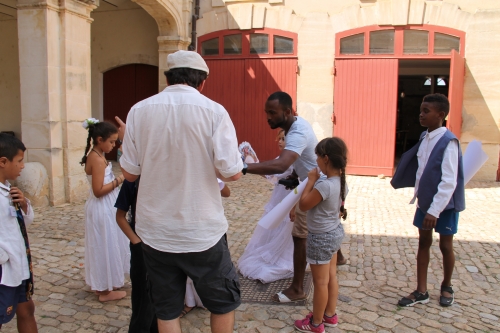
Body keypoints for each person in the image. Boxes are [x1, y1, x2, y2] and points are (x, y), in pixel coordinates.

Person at [119, 50, 243, 333]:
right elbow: (232, 173)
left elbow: (129, 173)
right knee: (222, 303)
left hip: (155, 231)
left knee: (167, 308)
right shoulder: (214, 111)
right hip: (202, 230)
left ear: (167, 78)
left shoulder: (139, 110)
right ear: (203, 82)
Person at [243, 91, 319, 303]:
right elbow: (299, 160)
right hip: (311, 182)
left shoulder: (296, 133)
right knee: (321, 227)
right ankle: (337, 257)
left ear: (287, 111)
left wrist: (243, 167)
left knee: (300, 236)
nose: (267, 117)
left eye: (272, 112)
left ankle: (297, 289)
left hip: (316, 186)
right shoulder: (296, 125)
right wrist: (295, 175)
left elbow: (281, 164)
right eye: (266, 112)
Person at [391, 93, 465, 307]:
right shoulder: (424, 137)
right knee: (423, 242)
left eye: (426, 111)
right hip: (425, 203)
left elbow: (449, 181)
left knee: (445, 245)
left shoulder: (448, 142)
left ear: (440, 115)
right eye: (421, 110)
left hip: (444, 206)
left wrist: (435, 210)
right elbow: (422, 169)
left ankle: (447, 285)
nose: (421, 114)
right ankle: (421, 290)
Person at [293, 137, 348, 333]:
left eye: (317, 157)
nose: (315, 161)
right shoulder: (340, 182)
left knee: (320, 282)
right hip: (334, 234)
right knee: (331, 277)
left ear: (325, 158)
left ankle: (316, 323)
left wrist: (311, 181)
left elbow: (304, 204)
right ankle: (330, 315)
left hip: (321, 238)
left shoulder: (323, 186)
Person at [80, 119, 130, 302]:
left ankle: (107, 282)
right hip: (102, 207)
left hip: (106, 206)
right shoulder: (97, 159)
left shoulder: (98, 155)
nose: (113, 145)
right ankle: (105, 290)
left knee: (110, 243)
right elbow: (98, 190)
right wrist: (120, 180)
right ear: (99, 139)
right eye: (111, 142)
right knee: (104, 245)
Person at [238, 130, 294, 283]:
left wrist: (252, 164)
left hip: (288, 199)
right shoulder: (281, 158)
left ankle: (283, 257)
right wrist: (254, 164)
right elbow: (270, 175)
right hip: (280, 198)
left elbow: (273, 172)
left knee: (285, 228)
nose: (280, 142)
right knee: (276, 227)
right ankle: (274, 252)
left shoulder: (291, 158)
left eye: (284, 139)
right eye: (279, 139)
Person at [0, 134, 37, 332]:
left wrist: (23, 203)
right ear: (3, 162)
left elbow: (24, 222)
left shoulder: (8, 189)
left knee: (27, 309)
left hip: (19, 266)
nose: (23, 166)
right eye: (20, 161)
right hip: (5, 270)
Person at [181, 178, 230, 318]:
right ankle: (190, 300)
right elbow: (226, 191)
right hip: (189, 225)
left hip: (201, 226)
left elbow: (226, 192)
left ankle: (198, 299)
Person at [115, 177, 158, 333]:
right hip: (142, 249)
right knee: (142, 302)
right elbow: (120, 216)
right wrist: (137, 243)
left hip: (165, 248)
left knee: (162, 302)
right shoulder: (132, 181)